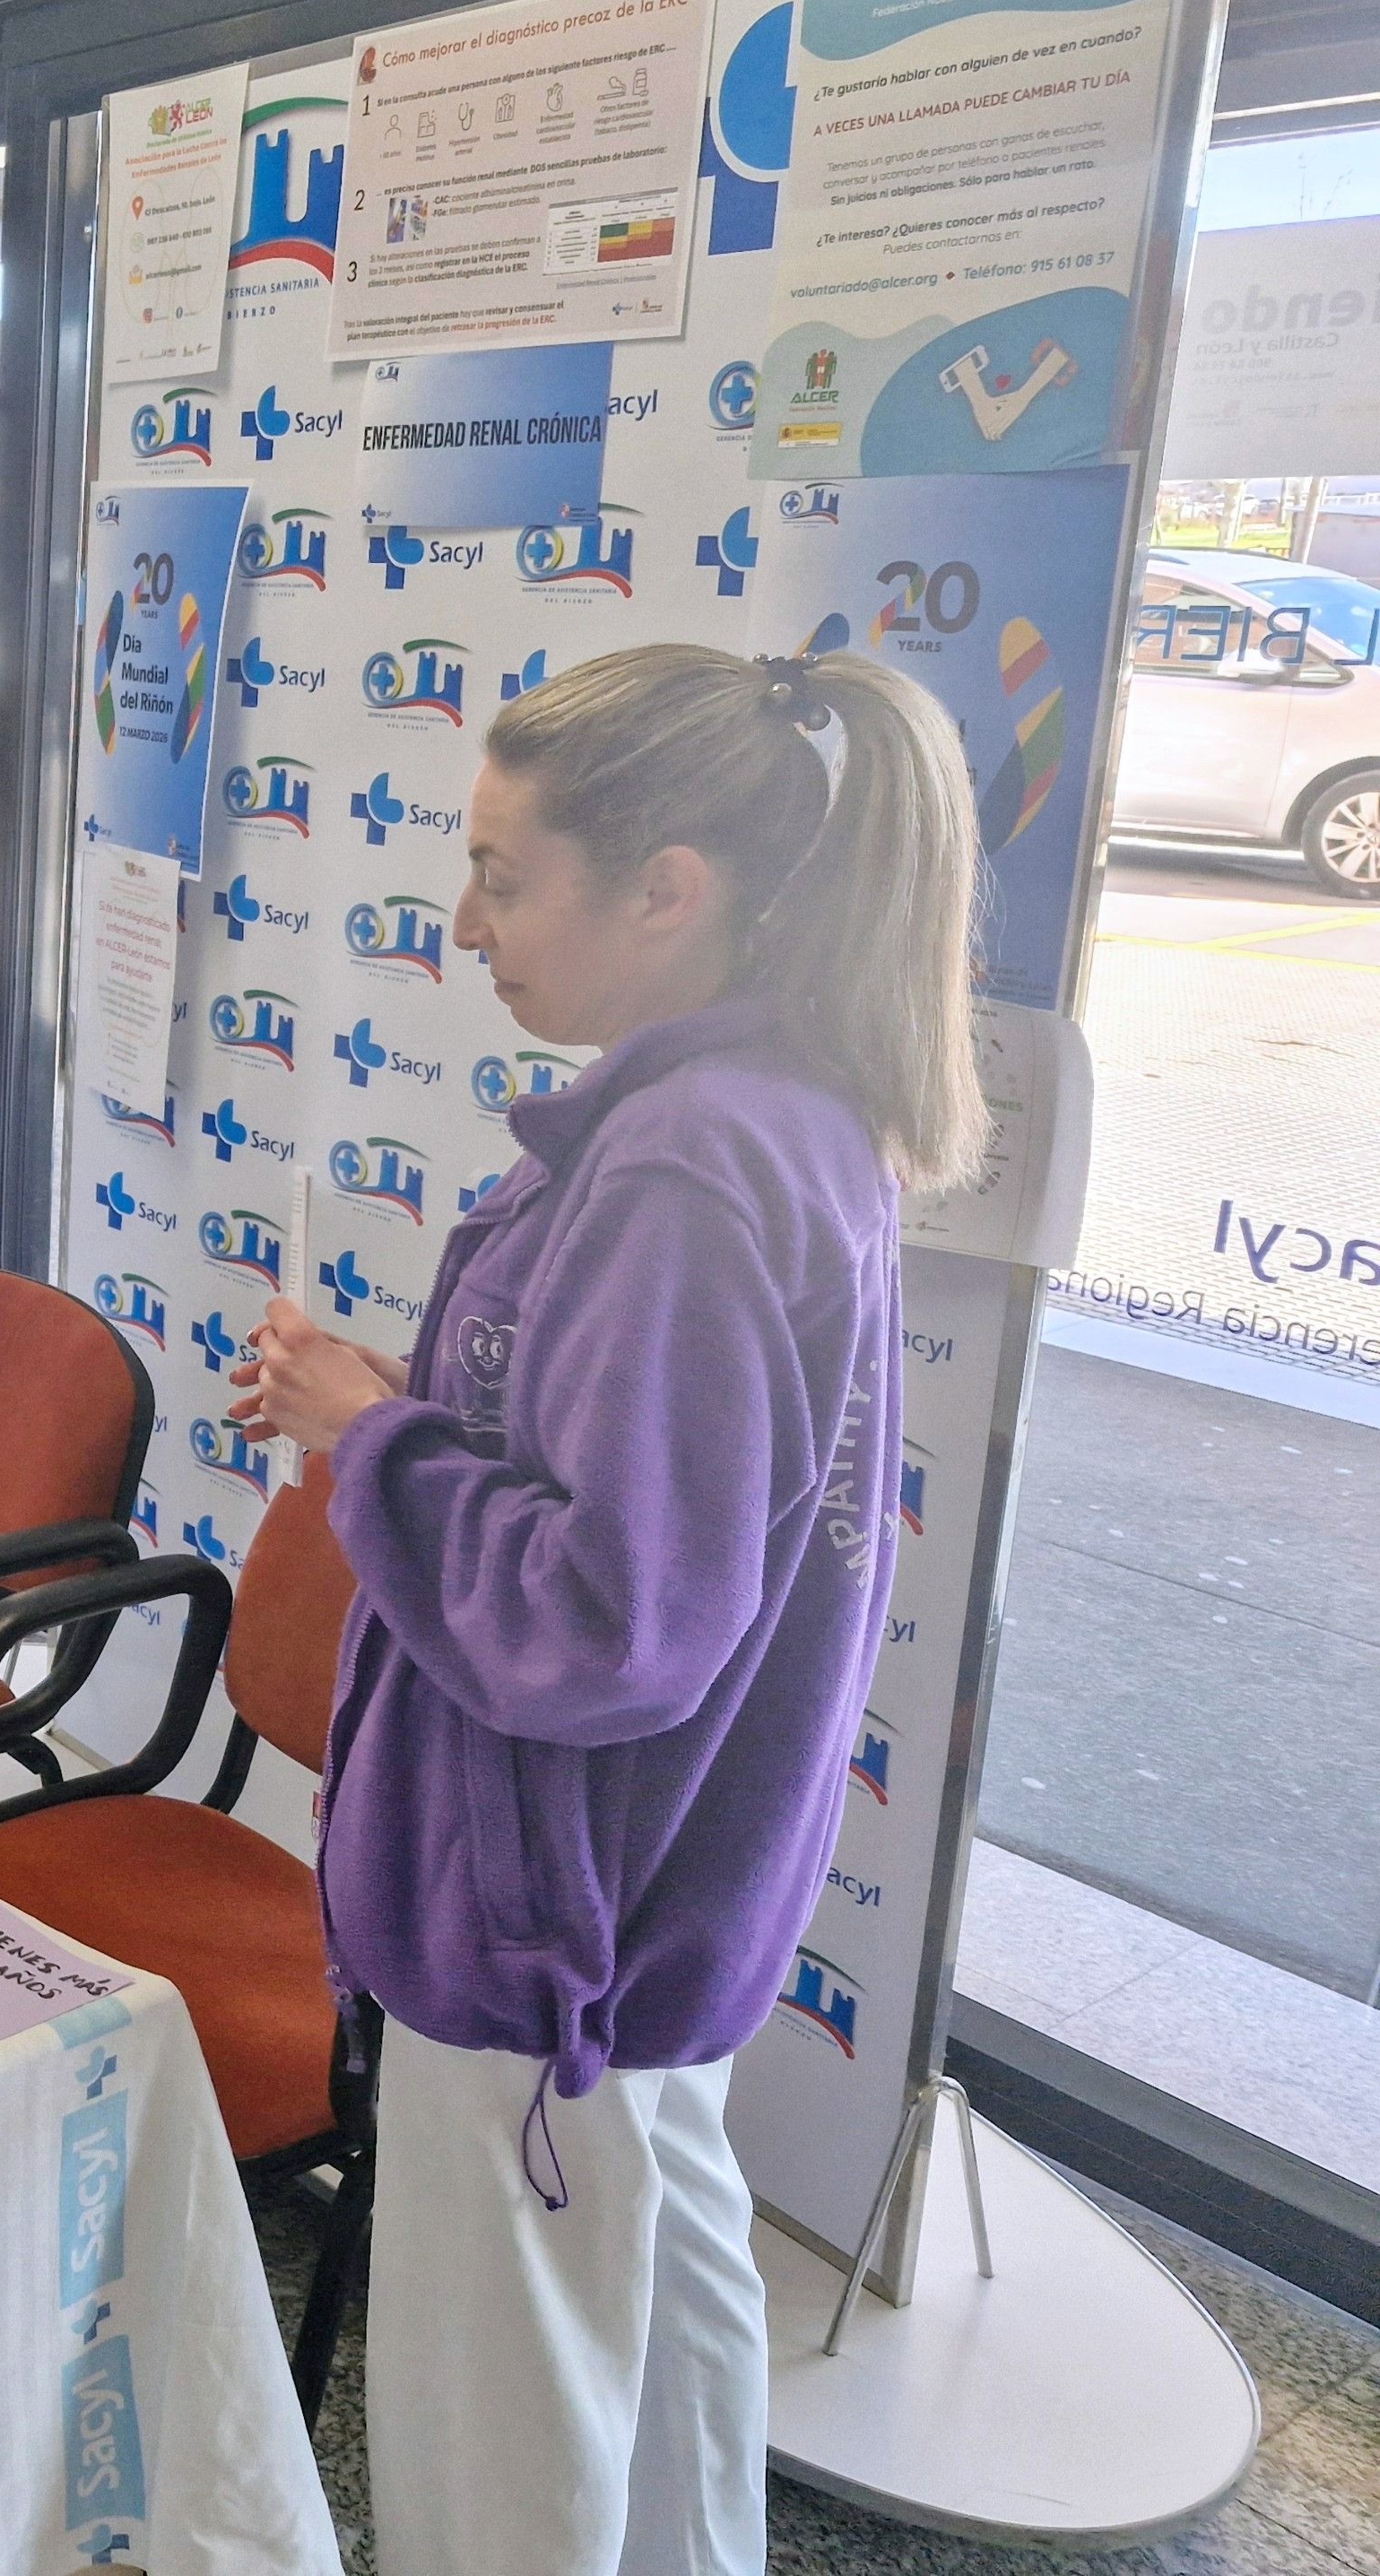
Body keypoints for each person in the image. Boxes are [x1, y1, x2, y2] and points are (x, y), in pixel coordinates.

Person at [232, 643, 985, 2576]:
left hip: (542, 1921)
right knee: (650, 2362)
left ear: (670, 891)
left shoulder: (683, 1166)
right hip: (633, 1909)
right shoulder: (769, 1124)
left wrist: (371, 1444)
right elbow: (651, 1531)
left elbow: (604, 1623)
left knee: (499, 2458)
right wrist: (395, 1415)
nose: (464, 922)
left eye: (504, 874)